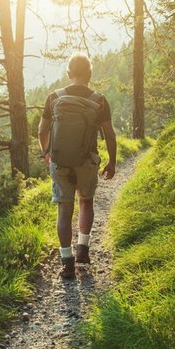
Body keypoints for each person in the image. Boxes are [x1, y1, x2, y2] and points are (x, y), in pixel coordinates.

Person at [38, 54, 117, 278]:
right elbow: (109, 135)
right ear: (90, 75)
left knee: (64, 210)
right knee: (85, 201)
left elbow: (42, 130)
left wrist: (47, 153)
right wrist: (112, 161)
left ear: (68, 73)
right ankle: (83, 249)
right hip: (86, 160)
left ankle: (67, 262)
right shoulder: (99, 99)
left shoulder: (54, 97)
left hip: (60, 161)